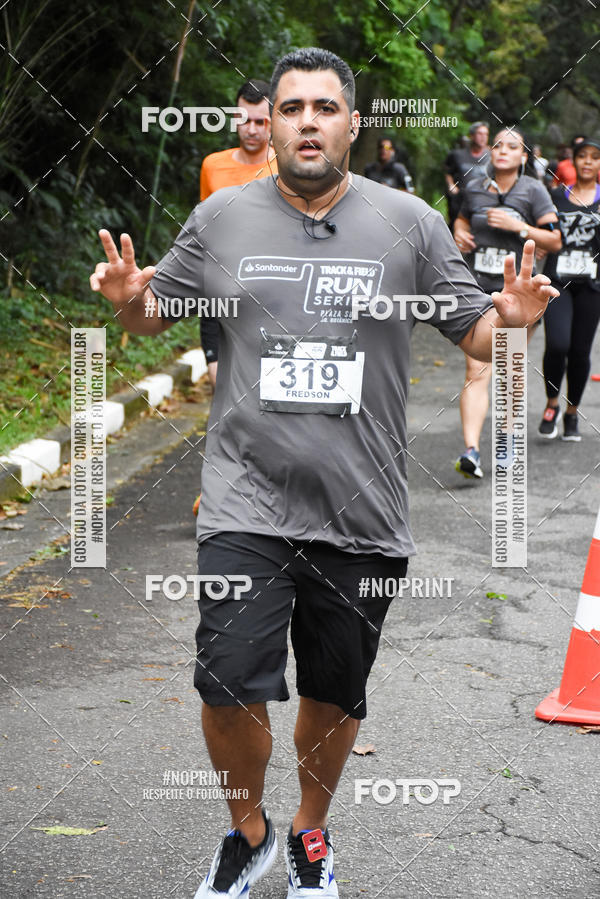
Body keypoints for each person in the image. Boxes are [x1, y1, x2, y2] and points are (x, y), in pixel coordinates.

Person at [89, 48, 557, 899]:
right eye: (293, 107)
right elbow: (153, 314)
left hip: (362, 508)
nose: (308, 120)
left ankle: (310, 830)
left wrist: (514, 323)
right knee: (225, 678)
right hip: (244, 500)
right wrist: (127, 294)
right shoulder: (223, 216)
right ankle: (249, 831)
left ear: (352, 123)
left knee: (334, 694)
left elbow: (474, 332)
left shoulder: (409, 220)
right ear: (272, 123)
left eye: (325, 108)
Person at [453, 126, 561, 478]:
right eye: (497, 145)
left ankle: (508, 438)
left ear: (523, 156)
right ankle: (471, 451)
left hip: (518, 299)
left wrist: (520, 228)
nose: (502, 151)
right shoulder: (474, 187)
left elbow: (555, 239)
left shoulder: (535, 190)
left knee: (510, 368)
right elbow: (462, 221)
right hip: (477, 290)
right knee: (476, 369)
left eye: (511, 146)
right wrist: (459, 233)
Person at [199, 79, 277, 389]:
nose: (253, 129)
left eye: (261, 121)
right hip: (220, 292)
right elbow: (206, 233)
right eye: (245, 120)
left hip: (273, 299)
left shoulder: (288, 167)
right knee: (221, 384)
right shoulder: (212, 166)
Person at [538, 136, 600, 441]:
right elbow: (544, 232)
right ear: (573, 161)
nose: (588, 161)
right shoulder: (556, 197)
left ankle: (572, 413)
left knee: (579, 352)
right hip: (558, 282)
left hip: (592, 285)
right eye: (583, 156)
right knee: (558, 344)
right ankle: (551, 405)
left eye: (594, 157)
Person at [444, 122, 490, 229]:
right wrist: (451, 185)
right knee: (456, 227)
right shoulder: (457, 155)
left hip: (482, 199)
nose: (483, 137)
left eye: (486, 134)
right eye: (480, 134)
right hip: (460, 200)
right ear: (472, 136)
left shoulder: (491, 156)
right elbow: (448, 172)